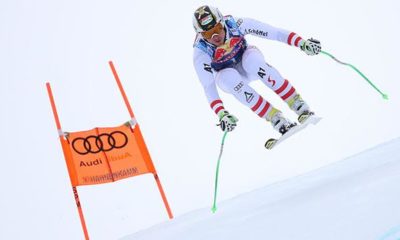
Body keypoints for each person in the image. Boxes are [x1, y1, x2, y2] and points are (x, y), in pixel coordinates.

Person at [192, 5, 321, 135]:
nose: (215, 36)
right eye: (208, 34)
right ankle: (275, 119)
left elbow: (274, 33)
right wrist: (221, 113)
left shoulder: (235, 24)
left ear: (222, 21)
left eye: (218, 28)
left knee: (252, 62)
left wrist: (302, 43)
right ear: (201, 35)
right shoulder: (201, 52)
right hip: (229, 78)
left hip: (247, 62)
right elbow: (208, 86)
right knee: (228, 77)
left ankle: (297, 104)